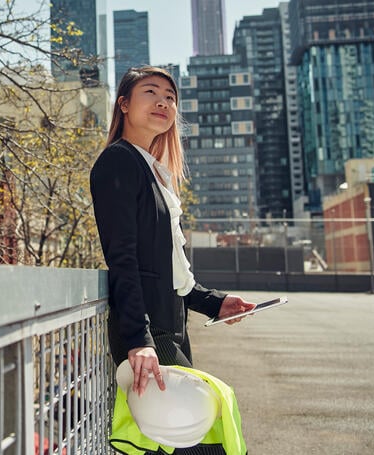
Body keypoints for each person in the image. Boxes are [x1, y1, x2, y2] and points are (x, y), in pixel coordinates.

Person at [90, 66, 255, 437]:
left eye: (170, 97)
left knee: (179, 440)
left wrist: (216, 303)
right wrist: (138, 340)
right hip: (149, 333)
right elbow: (123, 259)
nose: (163, 102)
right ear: (124, 105)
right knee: (202, 440)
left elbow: (169, 271)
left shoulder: (156, 172)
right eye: (151, 92)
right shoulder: (119, 161)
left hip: (171, 327)